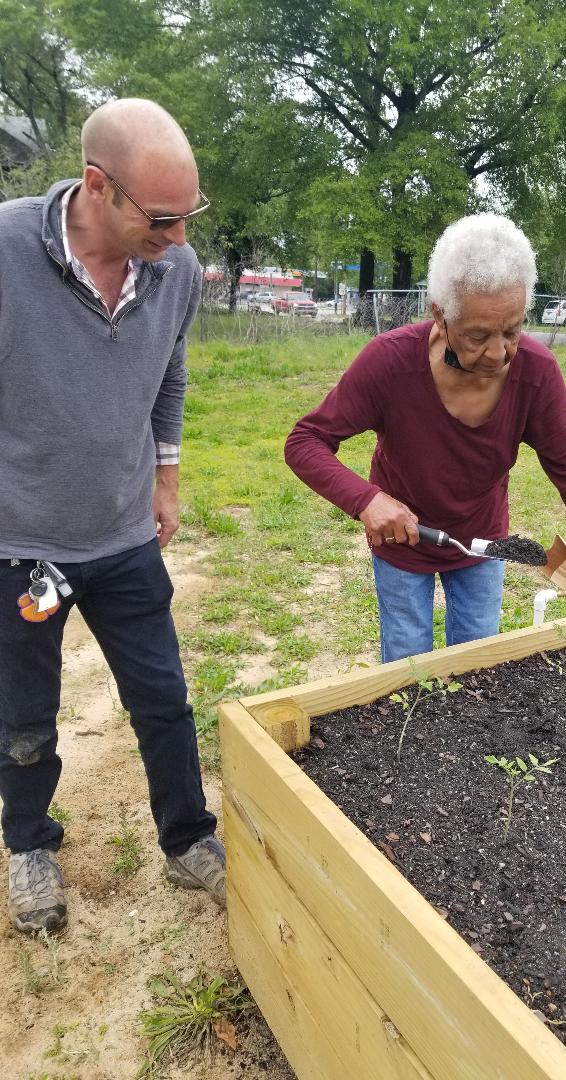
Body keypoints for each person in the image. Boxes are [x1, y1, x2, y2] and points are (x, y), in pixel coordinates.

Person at [0, 98, 224, 935]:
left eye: (189, 217)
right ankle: (29, 845)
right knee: (24, 712)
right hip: (20, 544)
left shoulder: (177, 271)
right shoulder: (6, 250)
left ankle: (188, 840)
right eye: (162, 219)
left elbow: (169, 374)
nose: (178, 238)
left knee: (163, 696)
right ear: (98, 187)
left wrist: (165, 479)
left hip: (124, 533)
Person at [285, 213, 566, 663]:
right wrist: (367, 501)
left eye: (511, 331)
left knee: (478, 665)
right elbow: (305, 441)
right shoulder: (389, 364)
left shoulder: (536, 373)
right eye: (477, 336)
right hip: (403, 544)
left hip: (483, 545)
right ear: (440, 314)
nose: (497, 353)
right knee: (407, 667)